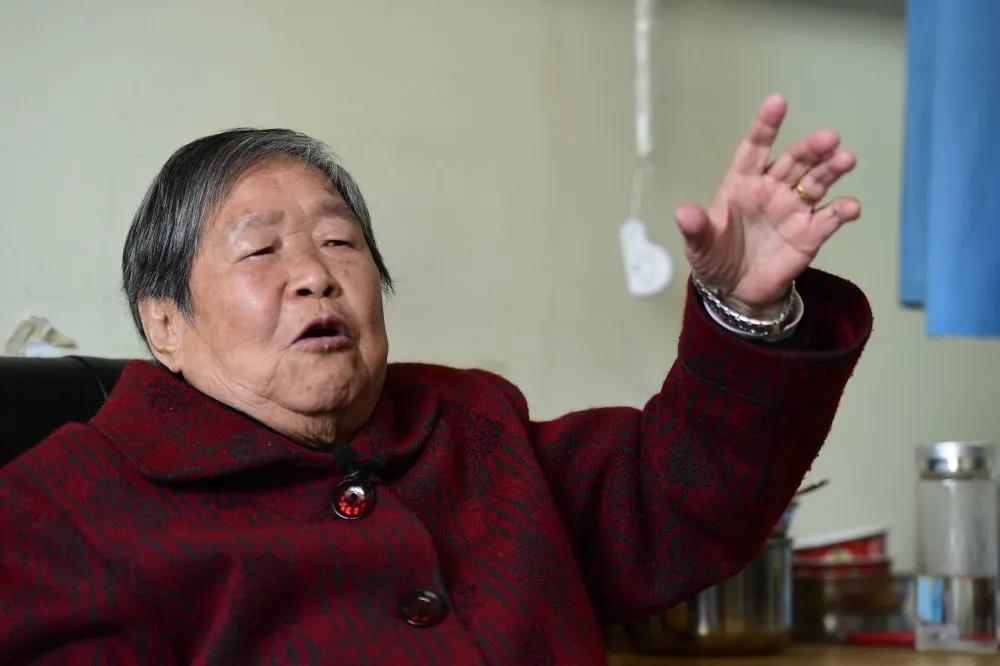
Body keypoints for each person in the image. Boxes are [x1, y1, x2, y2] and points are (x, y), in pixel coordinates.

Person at [0, 94, 870, 664]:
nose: (316, 276)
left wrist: (743, 309)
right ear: (163, 323)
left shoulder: (475, 428)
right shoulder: (59, 511)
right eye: (260, 250)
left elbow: (680, 494)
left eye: (339, 242)